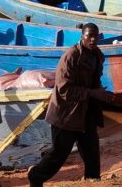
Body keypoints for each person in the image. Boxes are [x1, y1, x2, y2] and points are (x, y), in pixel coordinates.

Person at [28, 24, 113, 187]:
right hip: (65, 114)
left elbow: (93, 82)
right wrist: (93, 93)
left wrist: (101, 93)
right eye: (89, 36)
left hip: (85, 112)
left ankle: (92, 182)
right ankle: (36, 176)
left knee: (92, 153)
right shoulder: (71, 56)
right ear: (82, 37)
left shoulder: (97, 55)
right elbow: (64, 89)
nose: (93, 39)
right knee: (59, 154)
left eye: (96, 36)